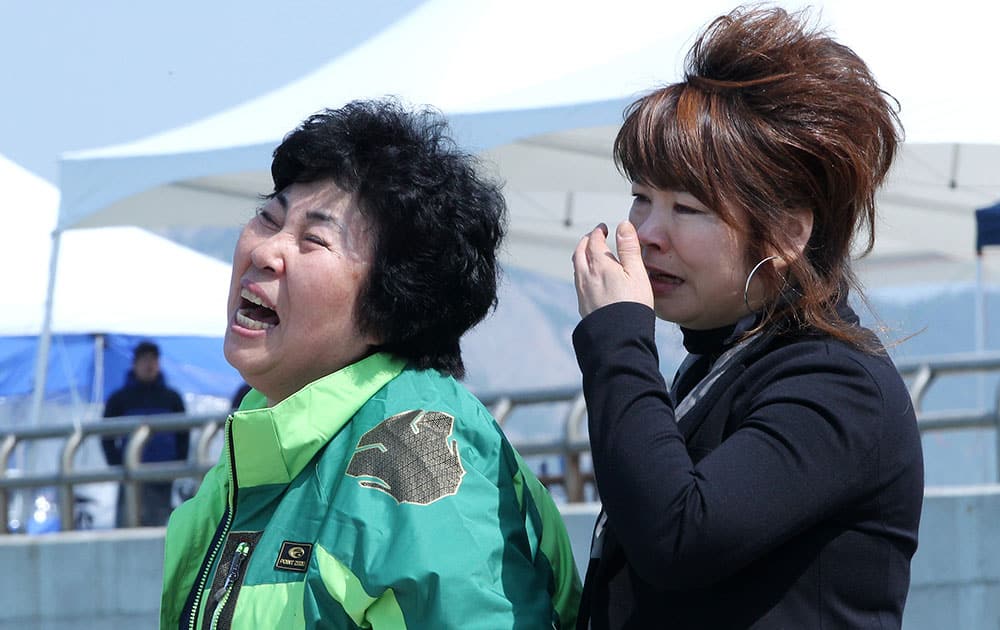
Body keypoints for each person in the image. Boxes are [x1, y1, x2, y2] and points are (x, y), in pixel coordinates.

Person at [160, 99, 581, 629]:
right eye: (269, 219)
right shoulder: (262, 446)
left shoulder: (415, 456)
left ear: (390, 306)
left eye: (313, 240)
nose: (268, 251)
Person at [571, 7, 923, 629]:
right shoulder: (721, 362)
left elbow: (677, 535)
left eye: (687, 207)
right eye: (642, 198)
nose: (646, 233)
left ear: (786, 233)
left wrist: (619, 340)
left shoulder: (838, 384)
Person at [102, 340, 187, 527]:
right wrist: (117, 463)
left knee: (161, 523)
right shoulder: (119, 399)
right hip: (131, 475)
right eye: (145, 360)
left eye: (153, 360)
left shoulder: (172, 398)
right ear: (135, 364)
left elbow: (184, 433)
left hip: (163, 475)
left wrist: (179, 462)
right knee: (128, 522)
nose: (149, 365)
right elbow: (106, 434)